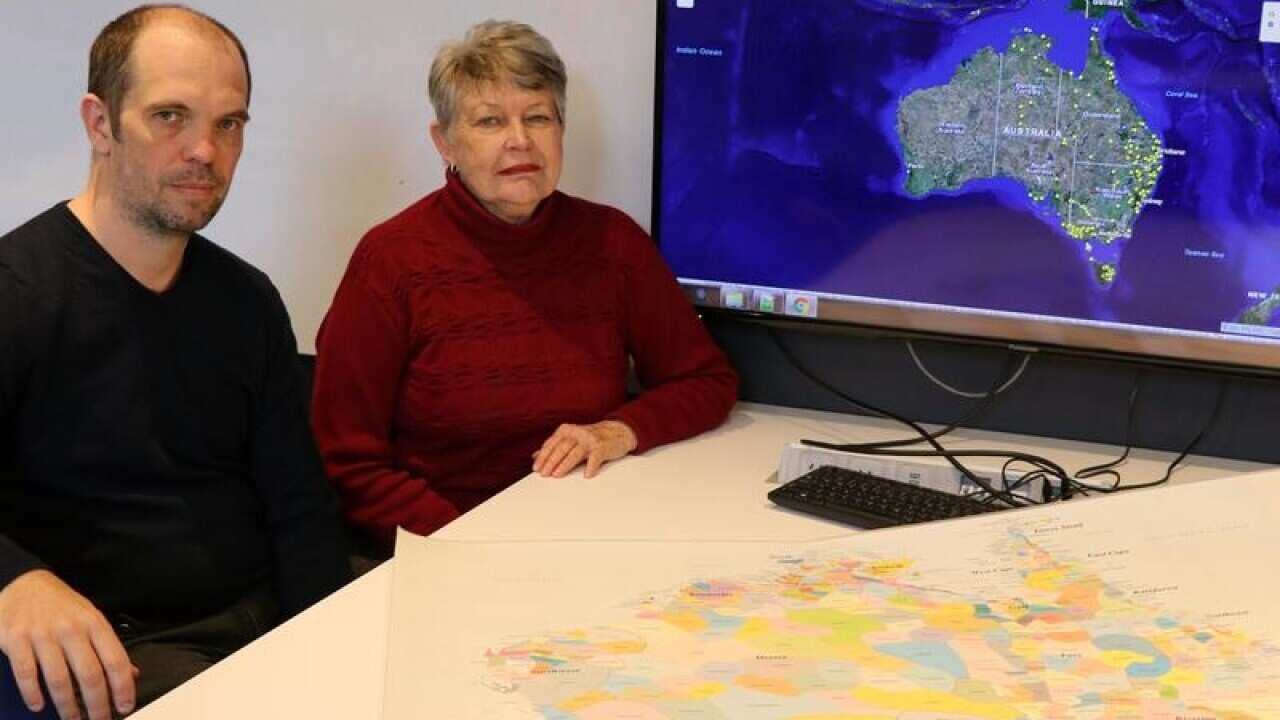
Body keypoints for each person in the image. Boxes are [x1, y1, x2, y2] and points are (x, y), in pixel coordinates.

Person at [0, 6, 351, 719]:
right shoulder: (16, 293)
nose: (205, 151)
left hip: (259, 624)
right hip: (112, 653)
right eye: (170, 117)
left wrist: (339, 642)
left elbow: (299, 507)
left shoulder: (247, 299)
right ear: (99, 124)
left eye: (229, 123)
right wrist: (13, 580)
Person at [311, 20, 738, 551]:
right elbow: (347, 463)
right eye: (490, 121)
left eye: (538, 117)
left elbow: (705, 380)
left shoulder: (613, 243)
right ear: (444, 142)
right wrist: (471, 545)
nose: (520, 140)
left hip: (586, 536)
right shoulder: (391, 262)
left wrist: (619, 431)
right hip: (447, 551)